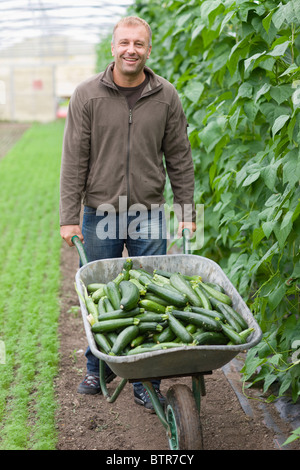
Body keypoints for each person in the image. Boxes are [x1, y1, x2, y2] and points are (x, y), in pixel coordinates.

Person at [59, 16, 196, 411]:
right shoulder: (87, 95)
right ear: (114, 47)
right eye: (124, 43)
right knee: (98, 295)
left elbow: (180, 159)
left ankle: (146, 378)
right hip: (99, 211)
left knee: (152, 294)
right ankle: (96, 367)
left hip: (149, 211)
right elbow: (74, 161)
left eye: (139, 43)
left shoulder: (166, 96)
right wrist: (69, 216)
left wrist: (185, 209)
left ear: (149, 49)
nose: (131, 50)